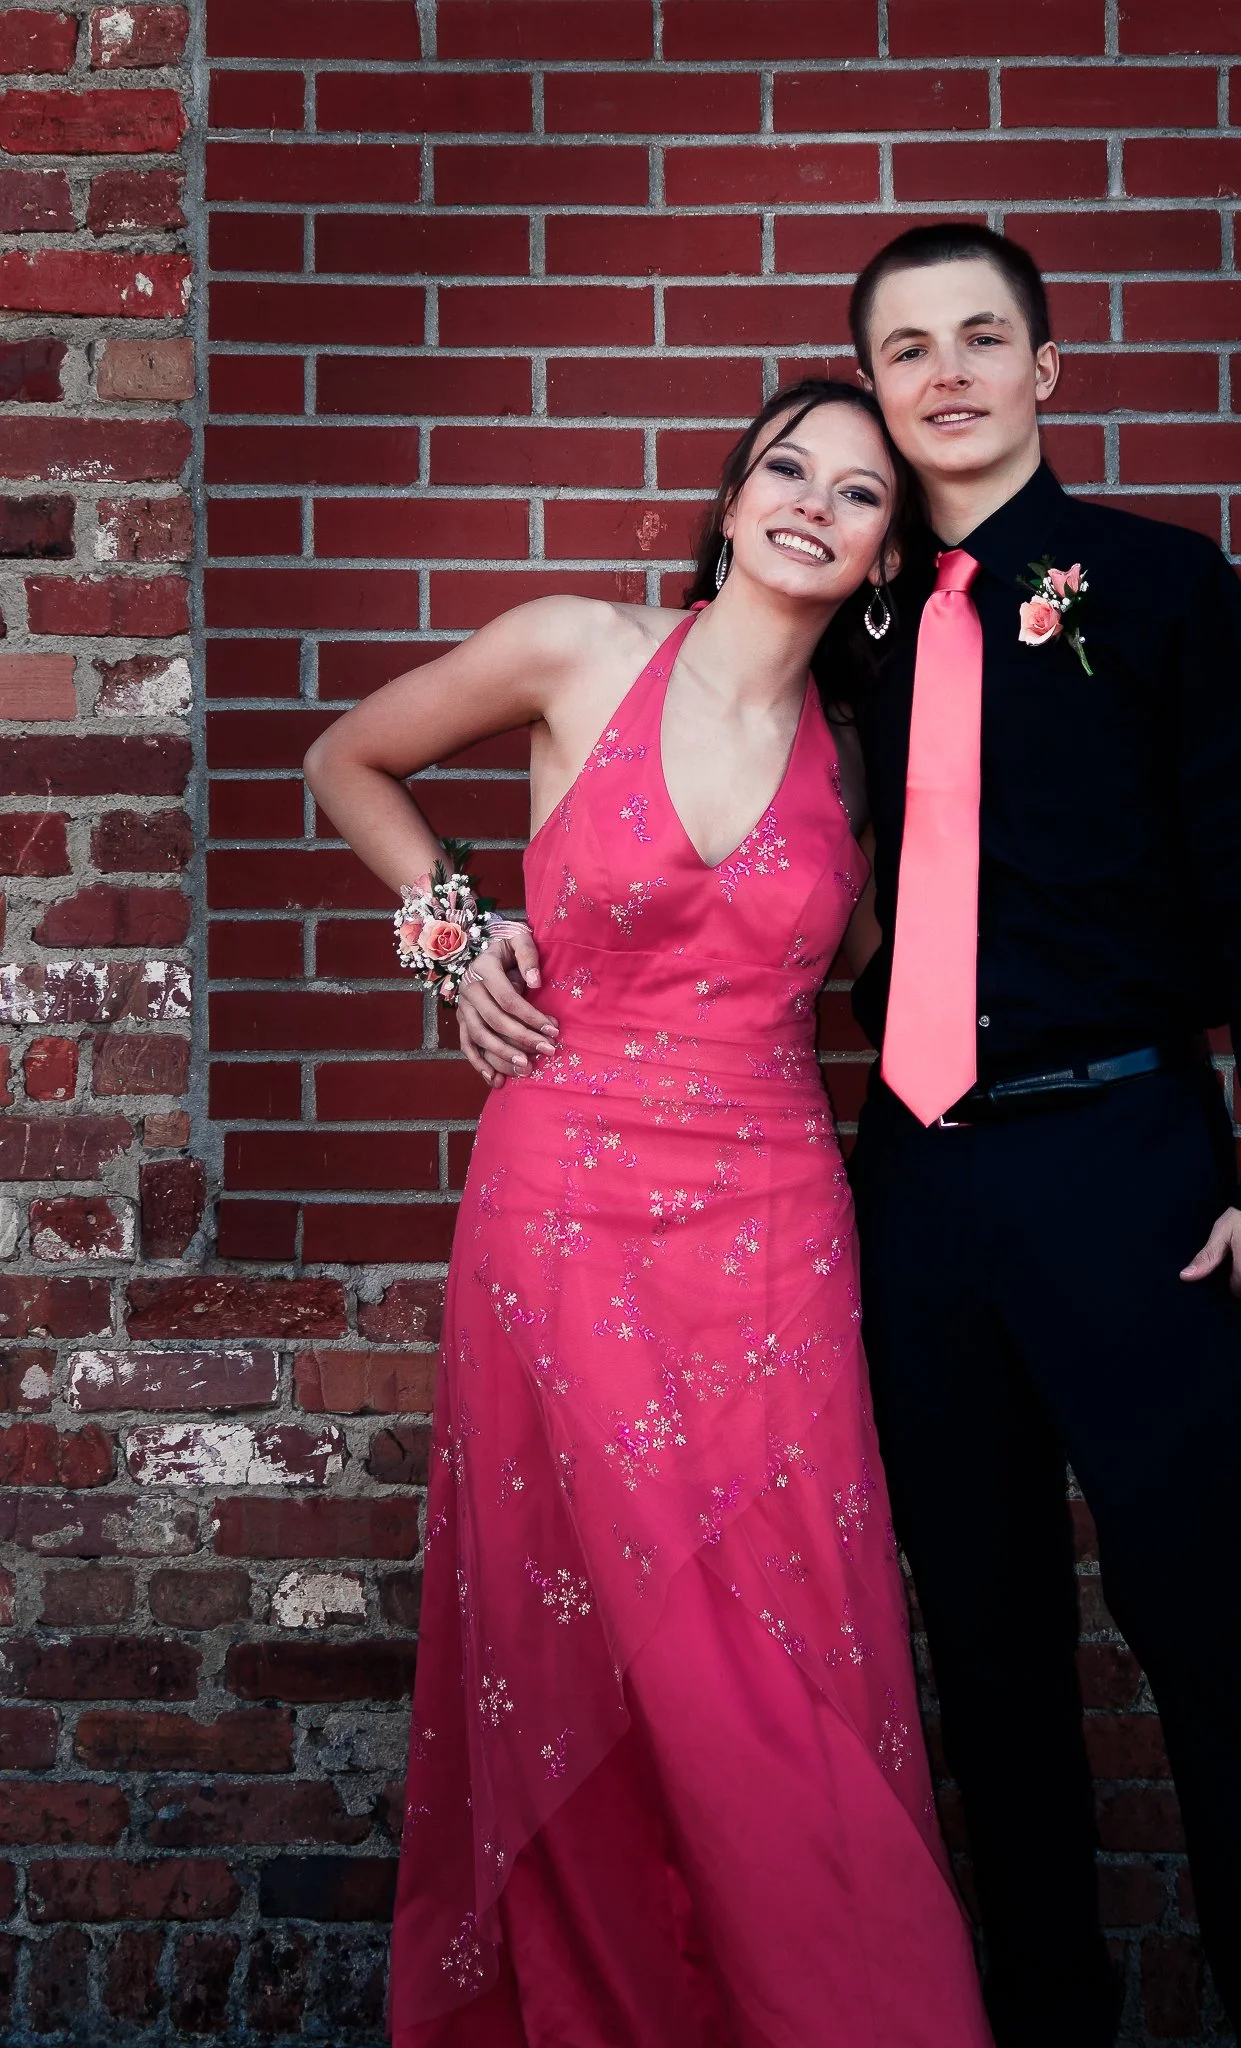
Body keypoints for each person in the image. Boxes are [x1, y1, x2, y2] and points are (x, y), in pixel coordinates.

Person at [472, 227, 1241, 2046]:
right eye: (903, 349)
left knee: (1198, 1631)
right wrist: (473, 931)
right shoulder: (841, 629)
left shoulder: (1159, 588)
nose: (942, 373)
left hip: (1123, 1163)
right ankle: (1041, 2017)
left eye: (979, 339)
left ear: (1046, 370)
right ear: (870, 388)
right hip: (909, 1187)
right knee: (992, 1654)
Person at [303, 380, 994, 2048]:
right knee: (583, 1647)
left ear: (889, 551)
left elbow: (881, 975)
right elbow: (348, 758)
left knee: (783, 1667)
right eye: (787, 470)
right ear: (734, 494)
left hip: (769, 1227)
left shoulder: (873, 761)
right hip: (559, 1209)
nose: (811, 506)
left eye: (858, 495)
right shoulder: (577, 647)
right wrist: (456, 943)